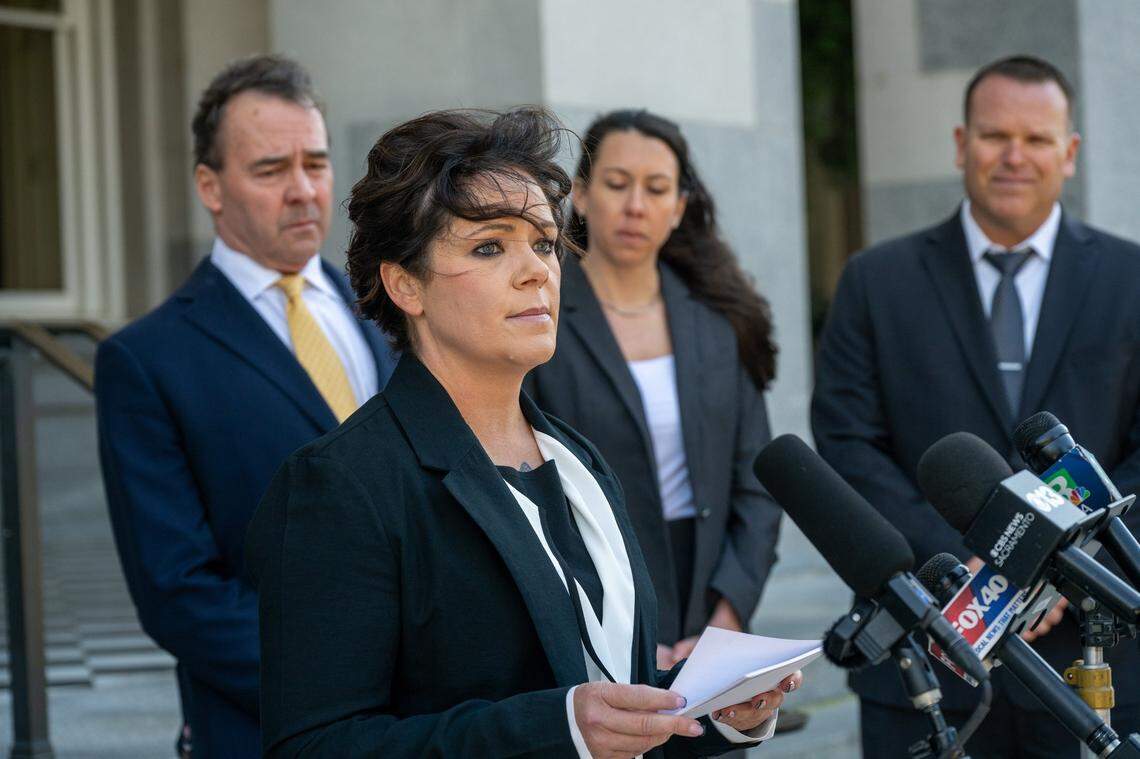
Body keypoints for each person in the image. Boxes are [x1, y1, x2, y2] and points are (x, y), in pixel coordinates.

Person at [245, 107, 802, 758]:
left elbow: (610, 696)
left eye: (542, 241)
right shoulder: (342, 482)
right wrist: (558, 729)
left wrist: (715, 707)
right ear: (404, 284)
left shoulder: (578, 462)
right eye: (489, 246)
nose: (537, 269)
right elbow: (315, 745)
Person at [813, 54, 1140, 757]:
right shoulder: (876, 280)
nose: (1014, 156)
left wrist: (1058, 563)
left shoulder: (1131, 278)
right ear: (962, 144)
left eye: (1037, 138)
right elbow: (847, 443)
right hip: (926, 657)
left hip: (1093, 657)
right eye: (995, 136)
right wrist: (971, 572)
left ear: (1070, 153)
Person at [95, 55, 396, 757]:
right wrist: (342, 683)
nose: (303, 191)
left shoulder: (391, 311)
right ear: (211, 185)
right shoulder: (146, 359)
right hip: (268, 729)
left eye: (316, 164)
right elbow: (179, 592)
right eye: (270, 170)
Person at [526, 110, 782, 673]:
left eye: (656, 188)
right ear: (584, 196)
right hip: (592, 589)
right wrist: (614, 621)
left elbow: (757, 484)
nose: (635, 205)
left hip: (708, 580)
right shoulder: (540, 316)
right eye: (617, 185)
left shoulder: (717, 321)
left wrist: (729, 616)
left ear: (679, 207)